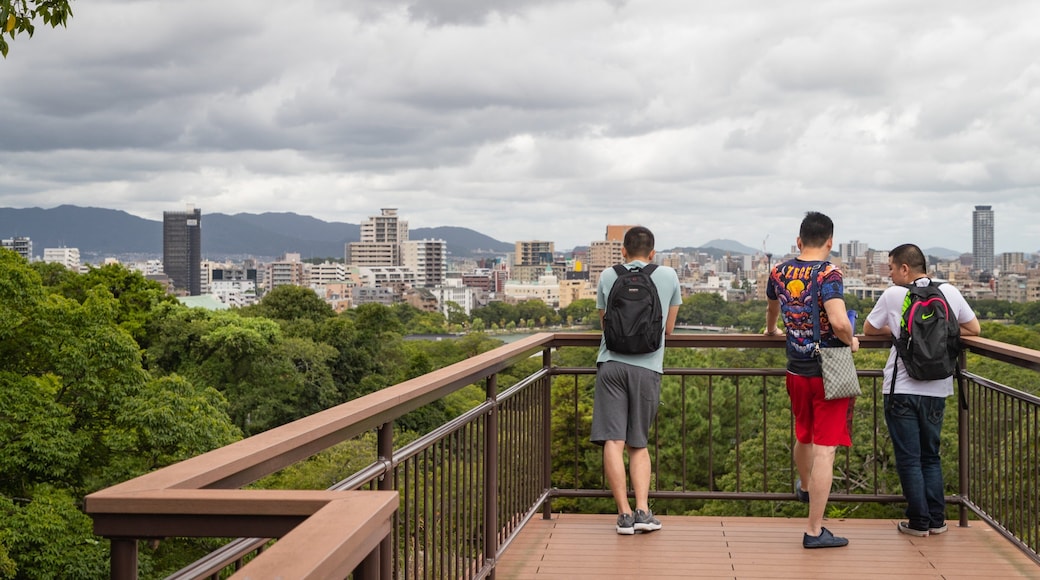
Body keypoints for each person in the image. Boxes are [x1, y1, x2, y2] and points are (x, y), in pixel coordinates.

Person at [863, 243, 980, 537]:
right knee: (930, 456)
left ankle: (918, 522)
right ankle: (937, 520)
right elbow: (974, 329)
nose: (889, 275)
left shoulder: (893, 295)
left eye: (891, 268)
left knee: (909, 459)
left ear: (905, 268)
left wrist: (898, 330)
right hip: (938, 388)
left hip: (901, 389)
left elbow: (869, 329)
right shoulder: (949, 292)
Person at [764, 211, 858, 549]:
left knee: (804, 435)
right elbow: (839, 321)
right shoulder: (830, 273)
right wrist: (851, 339)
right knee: (826, 449)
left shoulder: (779, 271)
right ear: (830, 242)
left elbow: (772, 309)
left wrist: (772, 330)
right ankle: (815, 530)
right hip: (828, 370)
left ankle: (805, 487)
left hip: (796, 369)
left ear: (799, 240)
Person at [591, 225, 682, 535]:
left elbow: (605, 324)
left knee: (613, 441)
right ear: (653, 252)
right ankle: (643, 511)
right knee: (638, 444)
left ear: (623, 251)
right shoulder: (668, 275)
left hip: (611, 364)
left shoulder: (608, 275)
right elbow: (668, 329)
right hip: (647, 367)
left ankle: (624, 515)